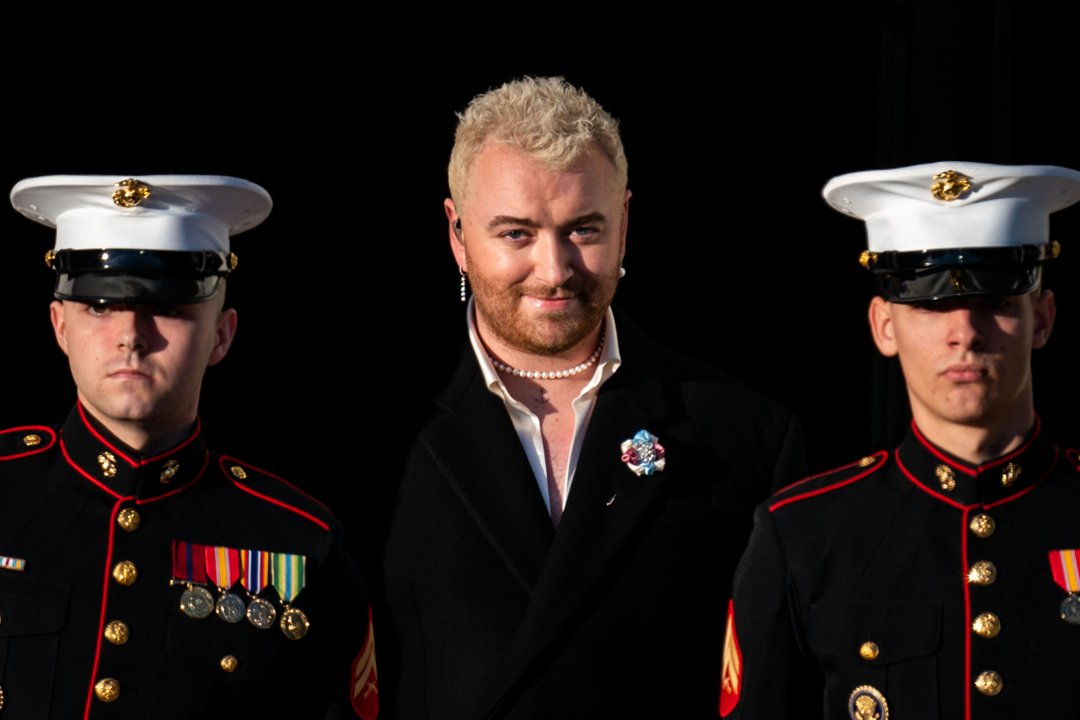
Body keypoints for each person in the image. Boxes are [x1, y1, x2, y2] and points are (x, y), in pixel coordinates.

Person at [380, 76, 807, 719]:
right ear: (457, 233)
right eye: (516, 234)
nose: (554, 270)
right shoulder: (365, 425)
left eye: (583, 229)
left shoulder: (745, 434)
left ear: (626, 224)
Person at [0, 175, 379, 719]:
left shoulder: (300, 544)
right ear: (60, 326)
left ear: (222, 335)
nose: (130, 333)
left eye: (169, 307)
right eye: (99, 306)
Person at [720, 160, 1080, 719]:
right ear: (884, 326)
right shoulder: (803, 534)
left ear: (1042, 320)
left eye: (994, 302)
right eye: (931, 305)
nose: (964, 332)